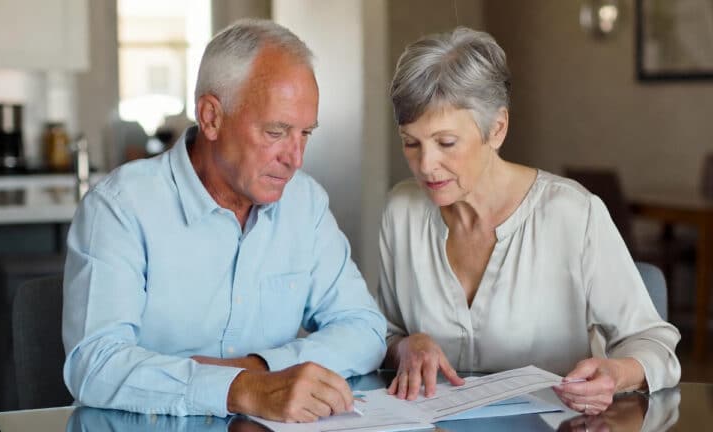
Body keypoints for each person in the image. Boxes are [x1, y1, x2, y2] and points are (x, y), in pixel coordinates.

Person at [63, 19, 386, 422]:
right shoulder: (118, 208)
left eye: (305, 134)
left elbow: (365, 330)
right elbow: (94, 365)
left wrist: (258, 369)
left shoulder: (306, 204)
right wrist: (241, 390)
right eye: (276, 131)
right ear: (211, 117)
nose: (295, 158)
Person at [376, 27, 680, 415]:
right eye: (411, 142)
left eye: (446, 143)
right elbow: (382, 331)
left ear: (497, 128)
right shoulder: (401, 211)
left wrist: (617, 372)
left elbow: (652, 340)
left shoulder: (573, 213)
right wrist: (405, 345)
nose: (425, 165)